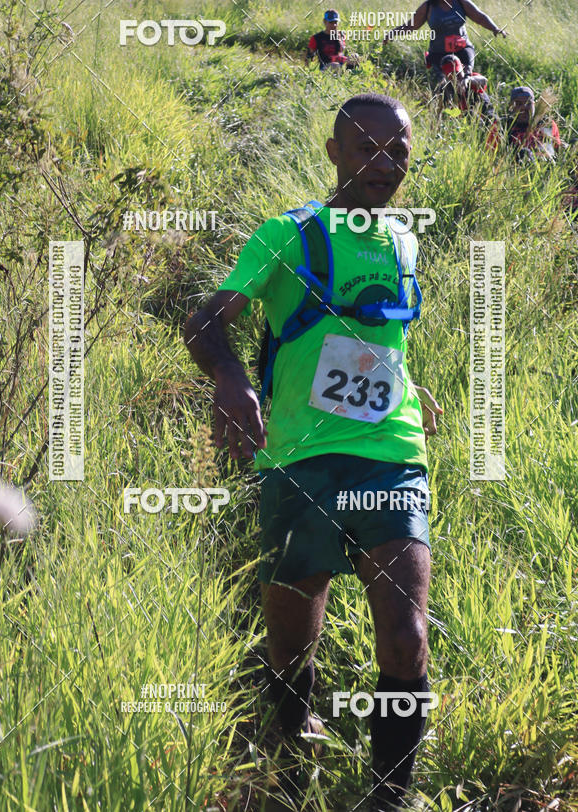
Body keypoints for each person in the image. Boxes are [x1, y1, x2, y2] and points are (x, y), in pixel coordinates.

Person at [184, 93, 444, 811]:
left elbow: (379, 338)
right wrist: (231, 378)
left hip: (390, 454)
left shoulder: (403, 241)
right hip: (297, 461)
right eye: (366, 148)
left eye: (398, 150)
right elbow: (204, 318)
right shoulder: (289, 234)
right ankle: (290, 762)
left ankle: (391, 794)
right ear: (334, 153)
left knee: (405, 635)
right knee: (291, 649)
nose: (384, 164)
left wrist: (408, 389)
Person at [383, 0, 506, 82]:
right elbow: (411, 26)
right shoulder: (428, 7)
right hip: (439, 52)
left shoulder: (460, 2)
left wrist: (494, 28)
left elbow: (479, 17)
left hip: (462, 48)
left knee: (466, 76)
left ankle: (472, 103)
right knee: (444, 83)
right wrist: (392, 33)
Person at [486, 86, 562, 162]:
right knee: (524, 153)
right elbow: (492, 156)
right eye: (518, 104)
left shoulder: (546, 124)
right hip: (513, 168)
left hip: (544, 167)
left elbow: (557, 151)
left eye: (528, 103)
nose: (524, 108)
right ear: (511, 107)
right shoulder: (502, 126)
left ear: (534, 105)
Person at [438, 53, 496, 120]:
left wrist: (468, 80)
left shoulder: (472, 78)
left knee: (470, 114)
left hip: (487, 120)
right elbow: (439, 112)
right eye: (452, 76)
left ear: (462, 67)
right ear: (446, 76)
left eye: (458, 74)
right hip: (464, 124)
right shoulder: (446, 89)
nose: (456, 78)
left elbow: (484, 80)